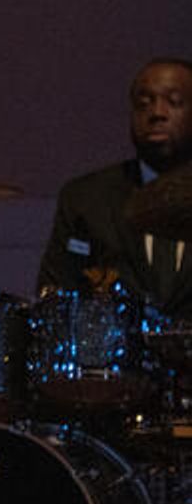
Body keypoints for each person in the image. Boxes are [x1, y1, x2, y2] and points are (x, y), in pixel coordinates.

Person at [37, 58, 192, 317]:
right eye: (144, 104)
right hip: (112, 354)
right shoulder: (85, 198)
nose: (157, 113)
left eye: (174, 102)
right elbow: (54, 297)